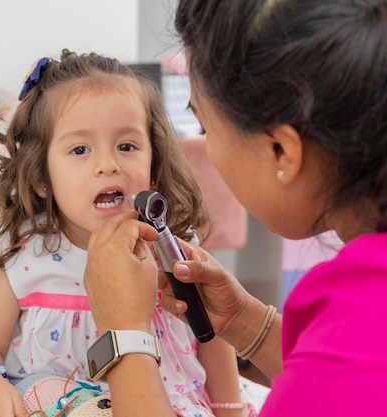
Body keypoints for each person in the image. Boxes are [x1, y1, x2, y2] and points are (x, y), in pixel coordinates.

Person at [83, 1, 387, 416]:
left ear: (281, 150)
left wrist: (123, 334)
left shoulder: (358, 340)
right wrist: (247, 324)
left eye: (206, 127)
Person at [0, 49, 254, 417]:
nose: (107, 165)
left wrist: (229, 410)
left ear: (154, 164)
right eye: (80, 149)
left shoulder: (173, 249)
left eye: (127, 146)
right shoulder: (27, 256)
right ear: (42, 177)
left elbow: (212, 337)